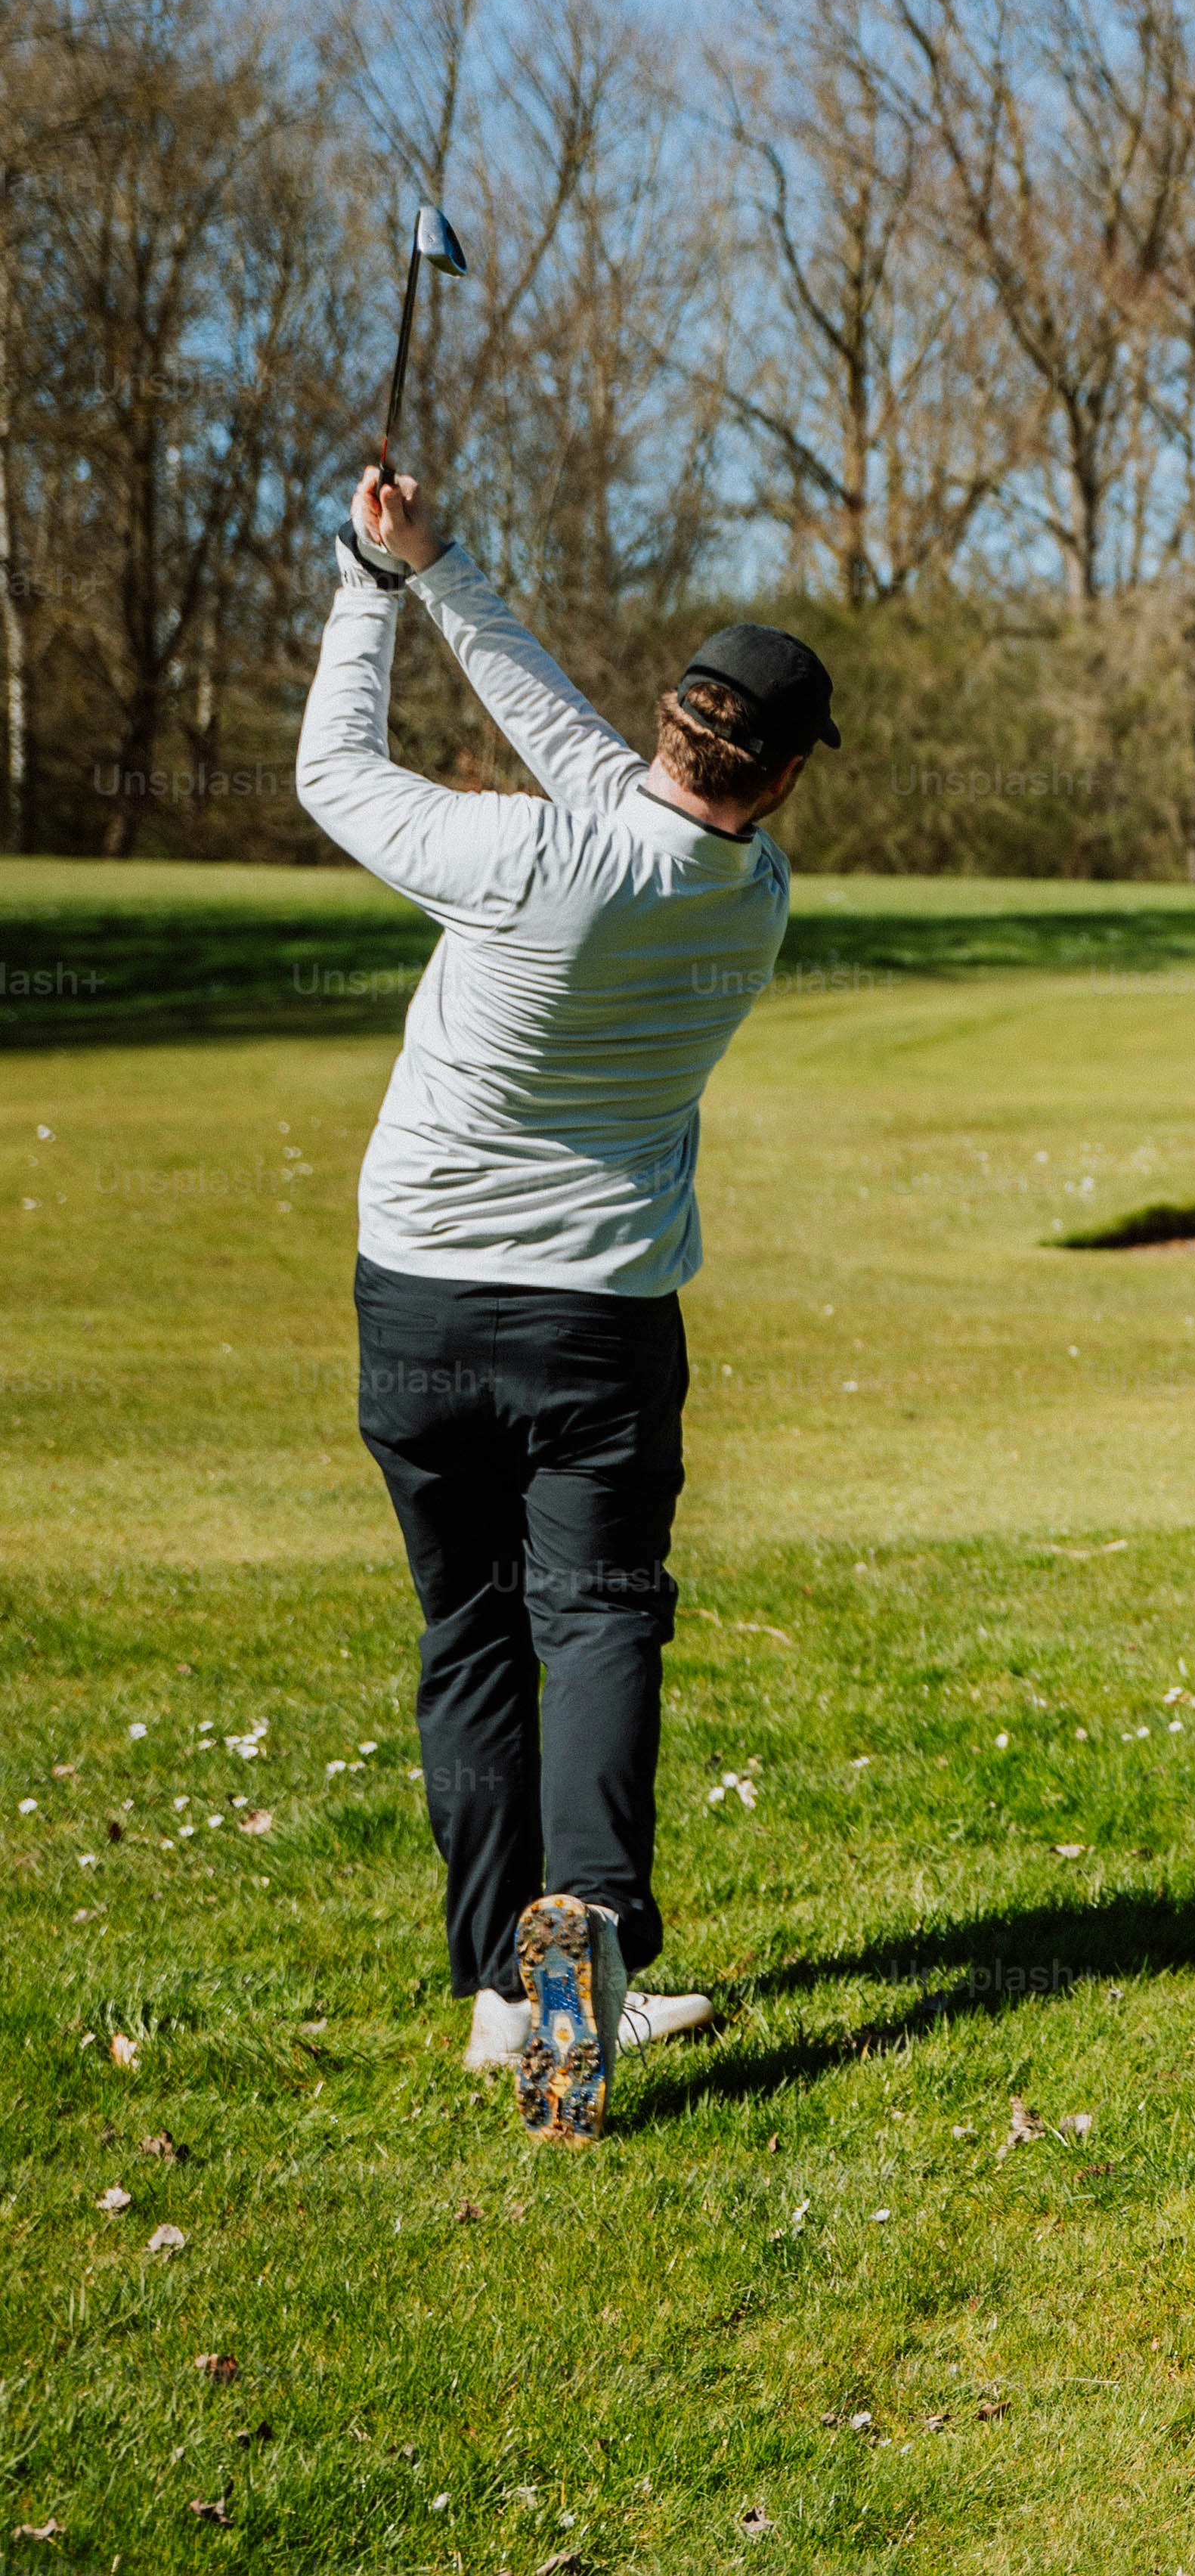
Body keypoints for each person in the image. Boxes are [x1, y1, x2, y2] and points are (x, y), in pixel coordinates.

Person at [296, 466, 835, 2144]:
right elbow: (593, 762)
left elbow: (334, 770)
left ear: (674, 718)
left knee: (469, 1633)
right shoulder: (750, 897)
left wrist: (369, 586)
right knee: (595, 1623)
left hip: (421, 1313)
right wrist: (445, 559)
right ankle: (573, 1973)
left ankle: (505, 1994)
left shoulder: (526, 853)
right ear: (789, 769)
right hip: (595, 1325)